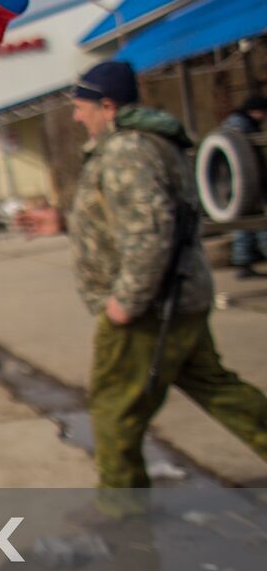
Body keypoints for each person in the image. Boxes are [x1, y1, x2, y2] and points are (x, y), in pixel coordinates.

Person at [17, 63, 267, 491]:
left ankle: (122, 509)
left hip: (149, 309)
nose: (76, 117)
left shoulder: (126, 150)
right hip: (176, 296)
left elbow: (150, 232)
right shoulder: (144, 143)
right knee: (221, 391)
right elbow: (130, 216)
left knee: (114, 408)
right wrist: (66, 221)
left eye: (81, 107)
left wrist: (126, 303)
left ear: (107, 106)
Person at [220, 96, 267, 278]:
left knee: (244, 222)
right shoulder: (240, 126)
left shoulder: (234, 124)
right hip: (244, 181)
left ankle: (243, 262)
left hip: (236, 181)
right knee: (255, 221)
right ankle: (244, 261)